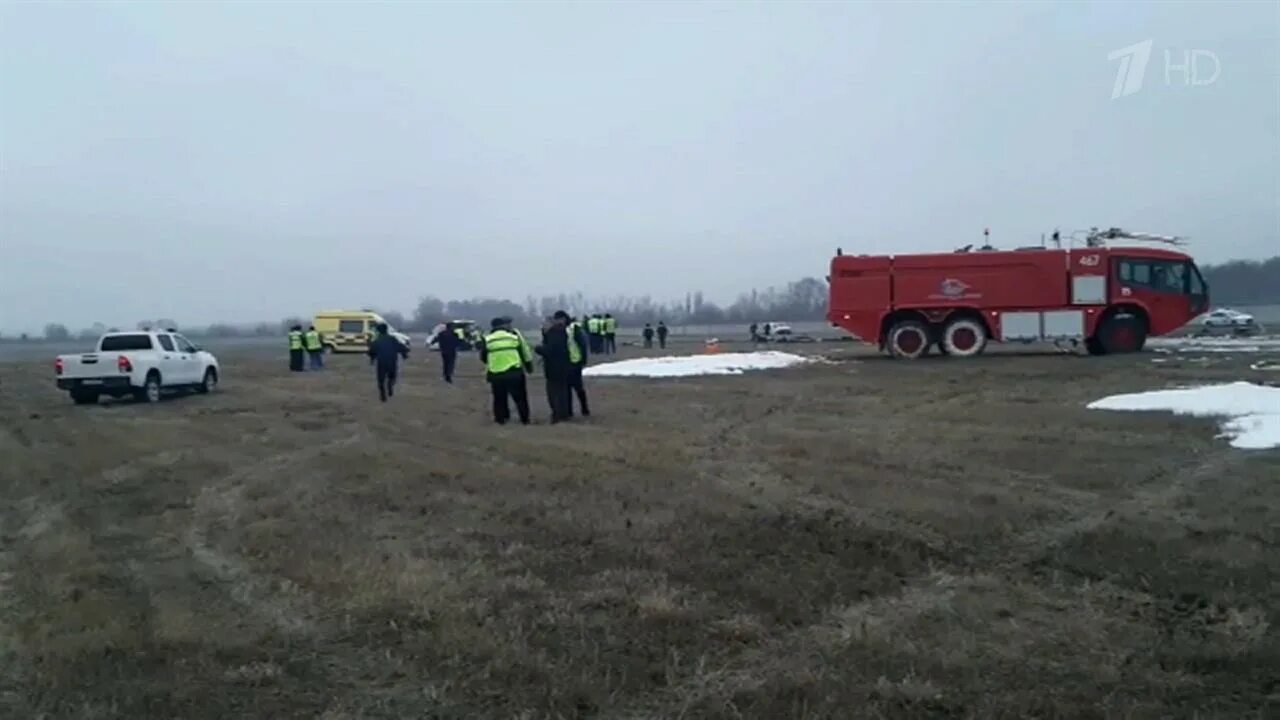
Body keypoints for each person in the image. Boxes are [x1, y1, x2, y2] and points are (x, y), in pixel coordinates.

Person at [478, 316, 533, 425]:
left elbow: (483, 357)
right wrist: (528, 366)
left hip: (496, 374)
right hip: (514, 372)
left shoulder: (488, 339)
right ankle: (525, 419)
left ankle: (501, 419)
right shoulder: (513, 337)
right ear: (503, 325)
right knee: (520, 398)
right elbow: (524, 351)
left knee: (499, 399)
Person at [535, 313, 573, 423]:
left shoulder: (554, 333)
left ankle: (557, 414)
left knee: (554, 392)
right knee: (563, 391)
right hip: (564, 365)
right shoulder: (562, 332)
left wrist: (539, 349)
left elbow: (551, 350)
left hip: (554, 367)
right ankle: (564, 413)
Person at [366, 322, 409, 402]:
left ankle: (383, 395)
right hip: (392, 361)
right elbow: (401, 347)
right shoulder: (392, 339)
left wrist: (372, 359)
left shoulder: (377, 341)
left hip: (381, 362)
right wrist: (404, 355)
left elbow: (371, 351)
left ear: (378, 331)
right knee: (392, 377)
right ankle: (390, 386)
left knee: (381, 380)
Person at [565, 312, 590, 417]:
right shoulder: (571, 329)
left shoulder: (574, 329)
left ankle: (584, 409)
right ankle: (571, 410)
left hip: (574, 362)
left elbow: (583, 345)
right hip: (569, 362)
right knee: (569, 388)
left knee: (577, 388)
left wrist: (583, 360)